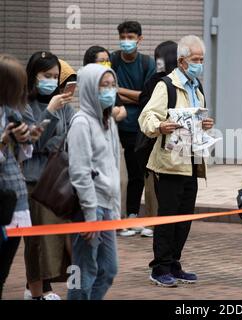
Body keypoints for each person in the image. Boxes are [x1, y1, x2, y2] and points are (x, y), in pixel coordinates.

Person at [139, 35, 214, 287]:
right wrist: (160, 125)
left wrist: (206, 125)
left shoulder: (197, 87)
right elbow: (147, 117)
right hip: (169, 163)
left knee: (184, 218)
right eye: (195, 60)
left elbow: (198, 121)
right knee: (168, 217)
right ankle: (159, 267)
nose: (199, 64)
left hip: (192, 161)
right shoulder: (166, 86)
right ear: (182, 61)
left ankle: (174, 263)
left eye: (202, 59)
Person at [21, 52, 75, 300]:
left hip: (59, 179)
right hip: (34, 181)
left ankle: (44, 286)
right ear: (33, 76)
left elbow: (69, 138)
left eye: (55, 76)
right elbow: (36, 142)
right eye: (46, 76)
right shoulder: (23, 105)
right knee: (37, 241)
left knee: (59, 238)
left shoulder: (64, 104)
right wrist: (50, 114)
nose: (52, 81)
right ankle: (37, 291)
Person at [67, 63, 121, 300]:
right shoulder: (81, 122)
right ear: (90, 89)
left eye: (112, 85)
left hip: (106, 207)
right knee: (82, 271)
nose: (109, 91)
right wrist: (90, 214)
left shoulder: (108, 121)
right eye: (103, 86)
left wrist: (116, 210)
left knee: (109, 269)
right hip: (88, 208)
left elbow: (114, 166)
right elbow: (79, 171)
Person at [0, 54, 43, 299]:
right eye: (18, 85)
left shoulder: (11, 113)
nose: (22, 91)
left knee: (3, 270)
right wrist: (4, 142)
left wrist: (26, 140)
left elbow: (22, 155)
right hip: (4, 199)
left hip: (14, 201)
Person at [110, 21, 156, 237]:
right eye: (123, 37)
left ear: (140, 39)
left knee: (136, 171)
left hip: (137, 126)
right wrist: (131, 95)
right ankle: (114, 218)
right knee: (113, 172)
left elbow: (146, 97)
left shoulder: (147, 63)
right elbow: (107, 92)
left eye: (131, 37)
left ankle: (132, 215)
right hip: (112, 122)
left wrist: (118, 89)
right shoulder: (111, 60)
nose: (126, 41)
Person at [137, 40, 178, 238]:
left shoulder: (179, 81)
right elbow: (144, 106)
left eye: (160, 58)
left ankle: (165, 220)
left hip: (176, 142)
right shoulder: (156, 81)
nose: (158, 62)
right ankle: (153, 221)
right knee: (152, 182)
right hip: (154, 140)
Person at [83, 46, 127, 122]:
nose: (106, 64)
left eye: (107, 61)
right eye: (102, 61)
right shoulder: (88, 86)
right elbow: (95, 113)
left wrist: (110, 117)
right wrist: (113, 112)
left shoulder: (109, 80)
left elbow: (123, 111)